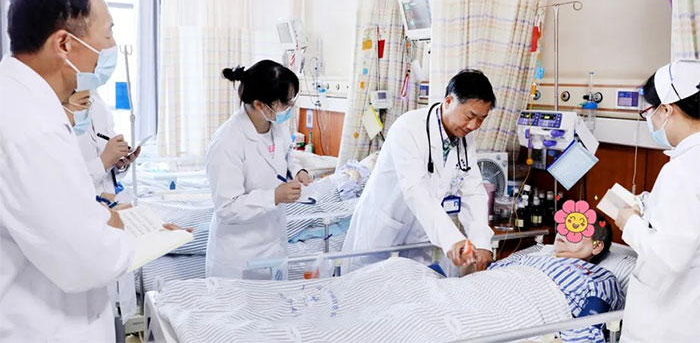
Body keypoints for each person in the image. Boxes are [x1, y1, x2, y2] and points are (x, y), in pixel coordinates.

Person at [0, 0, 134, 341]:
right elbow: (88, 259)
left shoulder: (23, 101)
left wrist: (99, 215)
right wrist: (116, 226)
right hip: (44, 327)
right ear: (64, 44)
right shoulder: (31, 125)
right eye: (107, 33)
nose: (111, 47)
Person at [343, 69, 496, 273]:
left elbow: (473, 191)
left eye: (481, 119)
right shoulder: (408, 128)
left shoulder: (465, 138)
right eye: (470, 116)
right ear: (448, 101)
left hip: (420, 235)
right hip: (381, 230)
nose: (473, 125)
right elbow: (415, 189)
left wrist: (481, 241)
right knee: (367, 284)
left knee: (418, 285)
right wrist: (451, 239)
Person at [615, 59, 700, 342]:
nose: (650, 120)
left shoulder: (681, 170)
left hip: (668, 321)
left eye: (649, 112)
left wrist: (630, 223)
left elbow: (669, 257)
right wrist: (650, 206)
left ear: (667, 109)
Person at [205, 60, 312, 279]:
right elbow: (227, 207)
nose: (289, 107)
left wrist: (297, 171)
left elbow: (287, 156)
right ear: (260, 105)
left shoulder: (277, 126)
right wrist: (274, 196)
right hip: (240, 256)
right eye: (284, 102)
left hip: (273, 244)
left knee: (275, 300)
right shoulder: (227, 141)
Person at [488, 214, 622, 343]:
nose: (563, 232)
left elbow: (589, 331)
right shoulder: (534, 255)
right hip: (489, 293)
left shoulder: (597, 277)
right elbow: (490, 271)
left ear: (596, 246)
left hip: (514, 315)